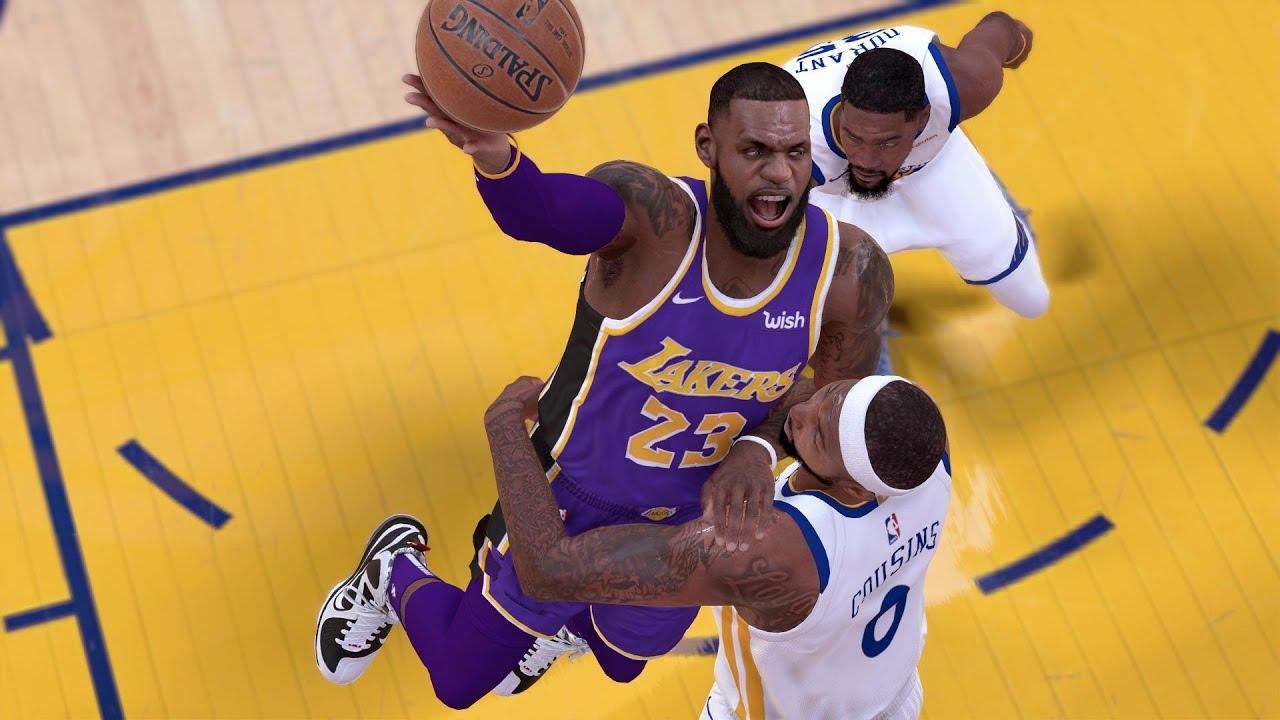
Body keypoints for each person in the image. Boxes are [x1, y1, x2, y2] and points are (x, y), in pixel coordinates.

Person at [314, 62, 894, 707]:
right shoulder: (653, 220)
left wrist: (758, 449)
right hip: (569, 493)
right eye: (755, 151)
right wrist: (496, 158)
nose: (780, 173)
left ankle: (556, 622)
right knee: (459, 681)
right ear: (708, 146)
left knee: (620, 663)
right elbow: (543, 212)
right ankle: (393, 569)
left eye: (794, 152)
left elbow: (833, 417)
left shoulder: (849, 272)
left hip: (690, 517)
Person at [461, 371, 948, 719]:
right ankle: (579, 629)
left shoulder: (768, 549)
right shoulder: (925, 451)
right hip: (893, 697)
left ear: (855, 488)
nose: (802, 412)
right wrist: (759, 447)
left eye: (817, 434)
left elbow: (548, 569)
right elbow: (807, 396)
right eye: (830, 395)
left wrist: (504, 421)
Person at [787, 13, 1048, 332]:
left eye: (886, 141)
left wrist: (1019, 41)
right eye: (854, 137)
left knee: (1031, 299)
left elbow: (1001, 26)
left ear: (923, 118)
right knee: (820, 298)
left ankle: (988, 191)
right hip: (827, 193)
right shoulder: (793, 142)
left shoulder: (966, 81)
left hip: (932, 165)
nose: (866, 159)